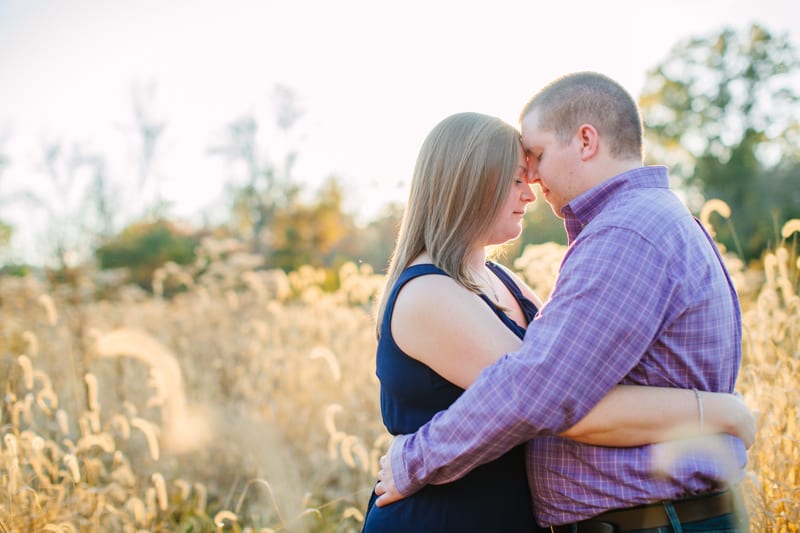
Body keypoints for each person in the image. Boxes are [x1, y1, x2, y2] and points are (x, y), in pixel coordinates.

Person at [366, 107, 754, 531]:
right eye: (516, 179)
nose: (530, 195)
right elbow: (555, 402)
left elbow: (569, 381)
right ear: (468, 182)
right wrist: (720, 412)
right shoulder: (430, 293)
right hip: (445, 518)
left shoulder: (503, 281)